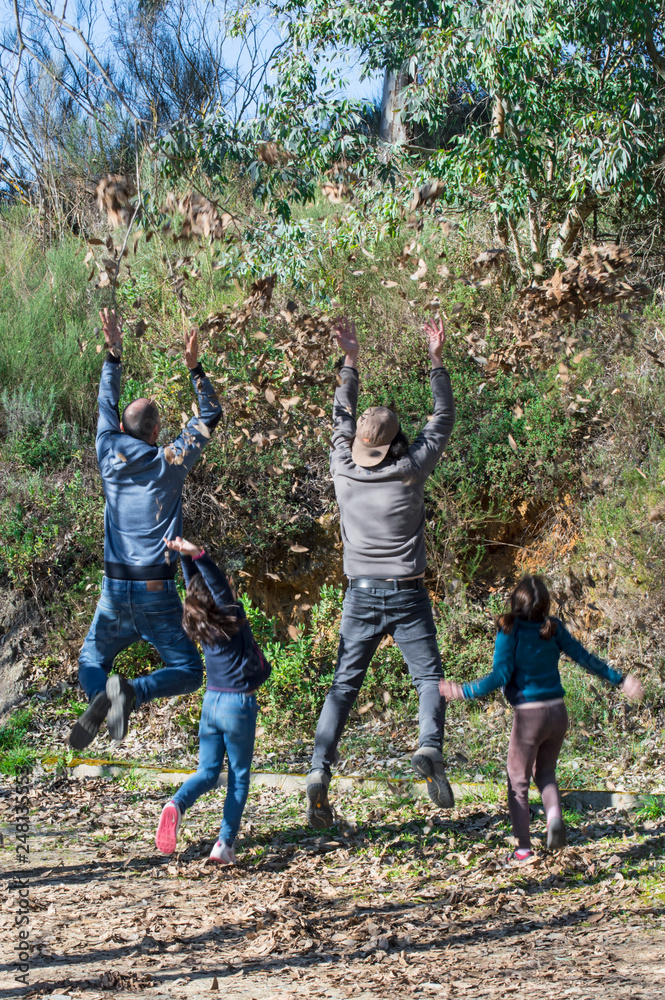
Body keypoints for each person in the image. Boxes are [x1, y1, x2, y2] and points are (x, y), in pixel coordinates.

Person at [306, 315, 456, 829]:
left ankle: (319, 770)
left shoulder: (342, 467)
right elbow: (443, 417)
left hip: (360, 595)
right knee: (429, 679)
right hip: (408, 593)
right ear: (395, 444)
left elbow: (340, 416)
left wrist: (350, 360)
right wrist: (435, 359)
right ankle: (429, 746)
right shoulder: (410, 469)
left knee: (342, 688)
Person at [69, 309, 222, 750]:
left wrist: (114, 352)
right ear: (156, 432)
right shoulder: (169, 461)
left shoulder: (106, 449)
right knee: (189, 671)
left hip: (115, 590)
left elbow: (106, 402)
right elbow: (210, 413)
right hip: (156, 591)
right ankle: (133, 693)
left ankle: (100, 696)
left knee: (92, 658)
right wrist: (195, 368)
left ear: (120, 429)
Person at [440, 575, 644, 861]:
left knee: (517, 782)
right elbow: (585, 658)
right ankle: (554, 816)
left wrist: (463, 690)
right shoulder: (553, 628)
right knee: (545, 772)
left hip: (529, 717)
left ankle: (523, 849)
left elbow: (500, 675)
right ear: (545, 605)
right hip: (557, 713)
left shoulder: (509, 629)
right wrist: (620, 680)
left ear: (515, 602)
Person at [154, 536, 271, 864]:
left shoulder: (202, 622)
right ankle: (224, 844)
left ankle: (176, 803)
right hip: (238, 707)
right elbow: (215, 585)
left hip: (211, 704)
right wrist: (197, 554)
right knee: (238, 777)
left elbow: (197, 587)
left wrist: (184, 557)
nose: (229, 585)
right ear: (219, 597)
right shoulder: (229, 616)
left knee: (207, 772)